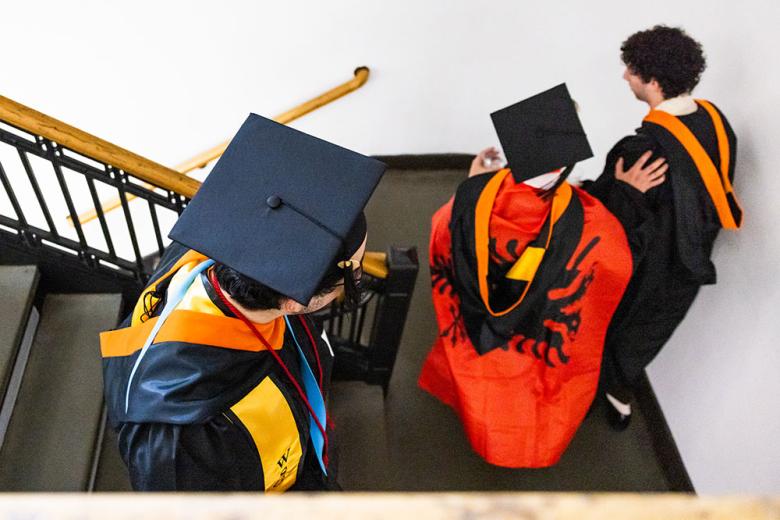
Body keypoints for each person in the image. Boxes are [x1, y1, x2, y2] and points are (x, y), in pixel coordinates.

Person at [100, 114, 385, 491]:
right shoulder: (180, 435)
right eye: (354, 273)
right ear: (294, 302)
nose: (360, 278)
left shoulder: (206, 254)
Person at [418, 84, 633, 468]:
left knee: (480, 381)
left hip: (477, 327)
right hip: (531, 344)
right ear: (563, 164)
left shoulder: (471, 199)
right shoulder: (594, 227)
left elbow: (443, 235)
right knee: (522, 399)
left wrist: (474, 182)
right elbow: (612, 268)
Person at [583, 25, 742, 430]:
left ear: (652, 81)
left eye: (631, 71)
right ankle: (619, 394)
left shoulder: (642, 149)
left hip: (652, 259)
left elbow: (611, 216)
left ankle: (585, 394)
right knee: (649, 334)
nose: (625, 77)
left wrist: (617, 191)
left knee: (613, 324)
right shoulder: (714, 119)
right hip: (693, 255)